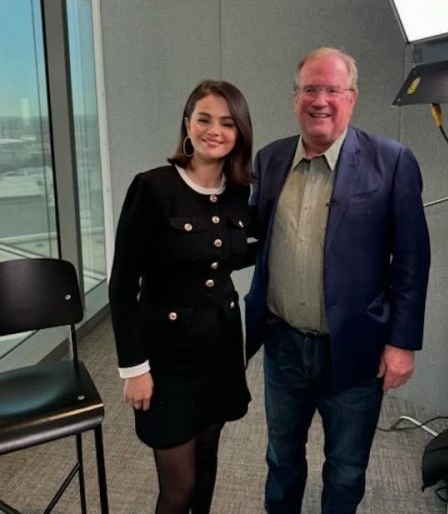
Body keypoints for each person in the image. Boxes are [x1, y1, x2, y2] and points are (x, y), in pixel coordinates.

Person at [245, 47, 431, 514]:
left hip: (355, 351)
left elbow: (412, 261)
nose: (320, 100)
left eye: (332, 89)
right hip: (283, 347)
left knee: (346, 468)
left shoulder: (392, 161)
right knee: (281, 458)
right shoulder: (270, 160)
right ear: (295, 98)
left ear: (352, 97)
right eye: (310, 89)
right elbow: (248, 240)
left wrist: (401, 344)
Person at [109, 79, 255, 514]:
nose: (215, 131)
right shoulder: (153, 188)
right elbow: (122, 285)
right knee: (180, 488)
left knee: (207, 462)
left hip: (220, 351)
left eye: (227, 123)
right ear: (187, 124)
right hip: (167, 358)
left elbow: (227, 256)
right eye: (204, 119)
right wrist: (134, 368)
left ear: (240, 132)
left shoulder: (239, 192)